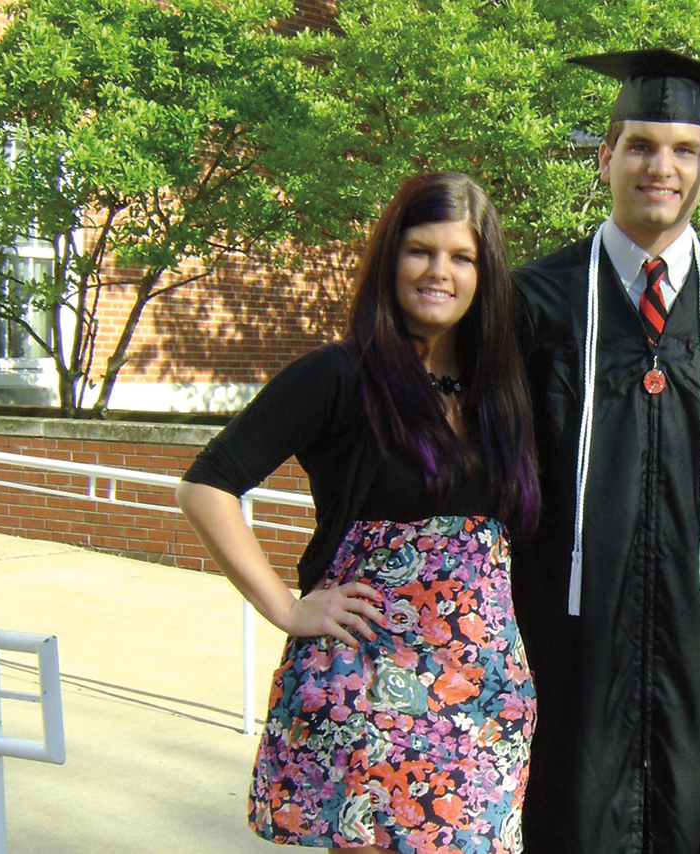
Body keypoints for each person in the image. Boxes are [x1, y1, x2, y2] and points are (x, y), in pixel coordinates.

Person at [176, 172, 540, 854]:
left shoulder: (499, 392)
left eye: (461, 257)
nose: (440, 271)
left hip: (483, 704)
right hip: (372, 695)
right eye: (420, 251)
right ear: (389, 260)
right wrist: (287, 608)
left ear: (484, 274)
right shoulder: (342, 376)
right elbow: (207, 486)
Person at [511, 49, 700, 854]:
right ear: (605, 159)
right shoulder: (534, 298)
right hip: (570, 623)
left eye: (685, 150)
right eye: (641, 147)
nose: (663, 167)